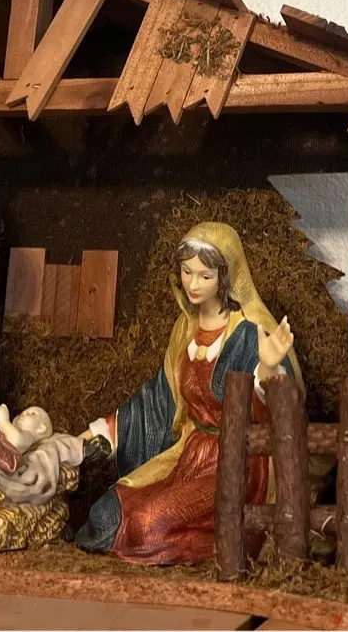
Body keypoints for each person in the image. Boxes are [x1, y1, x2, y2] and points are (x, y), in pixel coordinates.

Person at [74, 221, 300, 565]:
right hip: (187, 454)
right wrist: (92, 437)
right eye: (186, 272)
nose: (193, 284)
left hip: (235, 463)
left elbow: (280, 411)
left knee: (148, 524)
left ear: (224, 277)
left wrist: (268, 368)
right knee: (105, 516)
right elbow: (157, 403)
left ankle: (231, 544)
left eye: (204, 276)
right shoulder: (185, 330)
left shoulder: (247, 333)